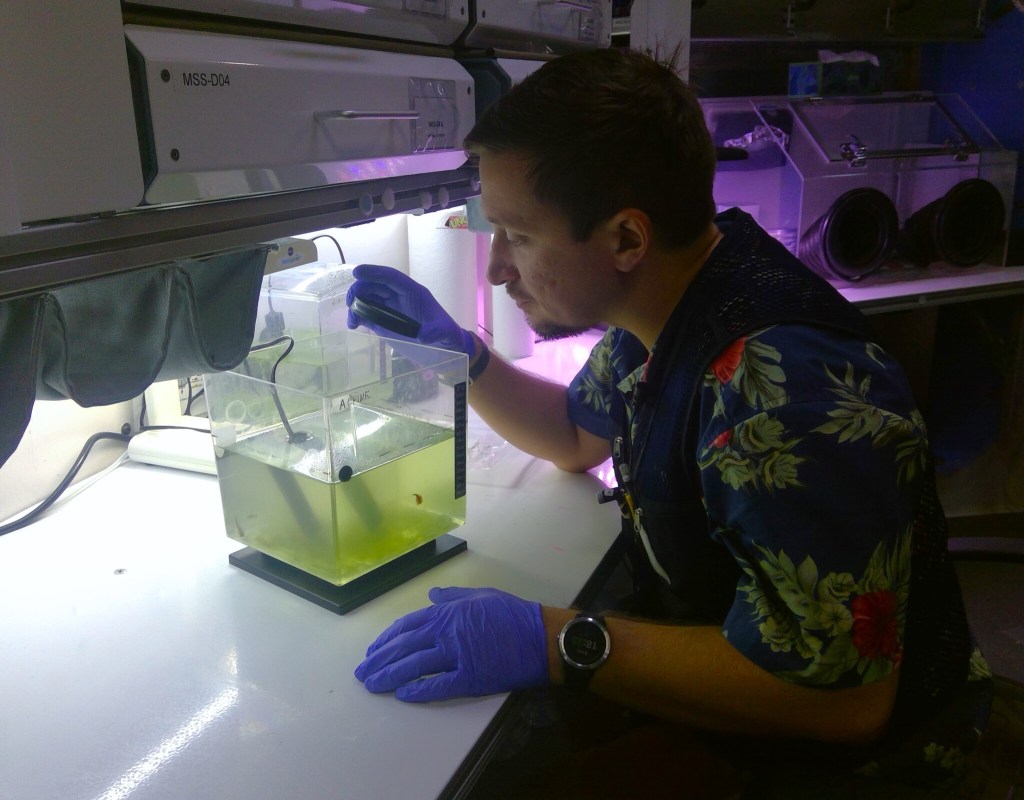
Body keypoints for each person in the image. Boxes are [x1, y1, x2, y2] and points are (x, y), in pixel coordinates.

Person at [347, 47, 992, 797]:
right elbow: (572, 432)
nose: (496, 269)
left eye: (519, 236)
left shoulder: (784, 393)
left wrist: (561, 639)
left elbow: (842, 701)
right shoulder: (667, 303)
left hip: (859, 763)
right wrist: (466, 359)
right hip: (742, 676)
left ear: (626, 239)